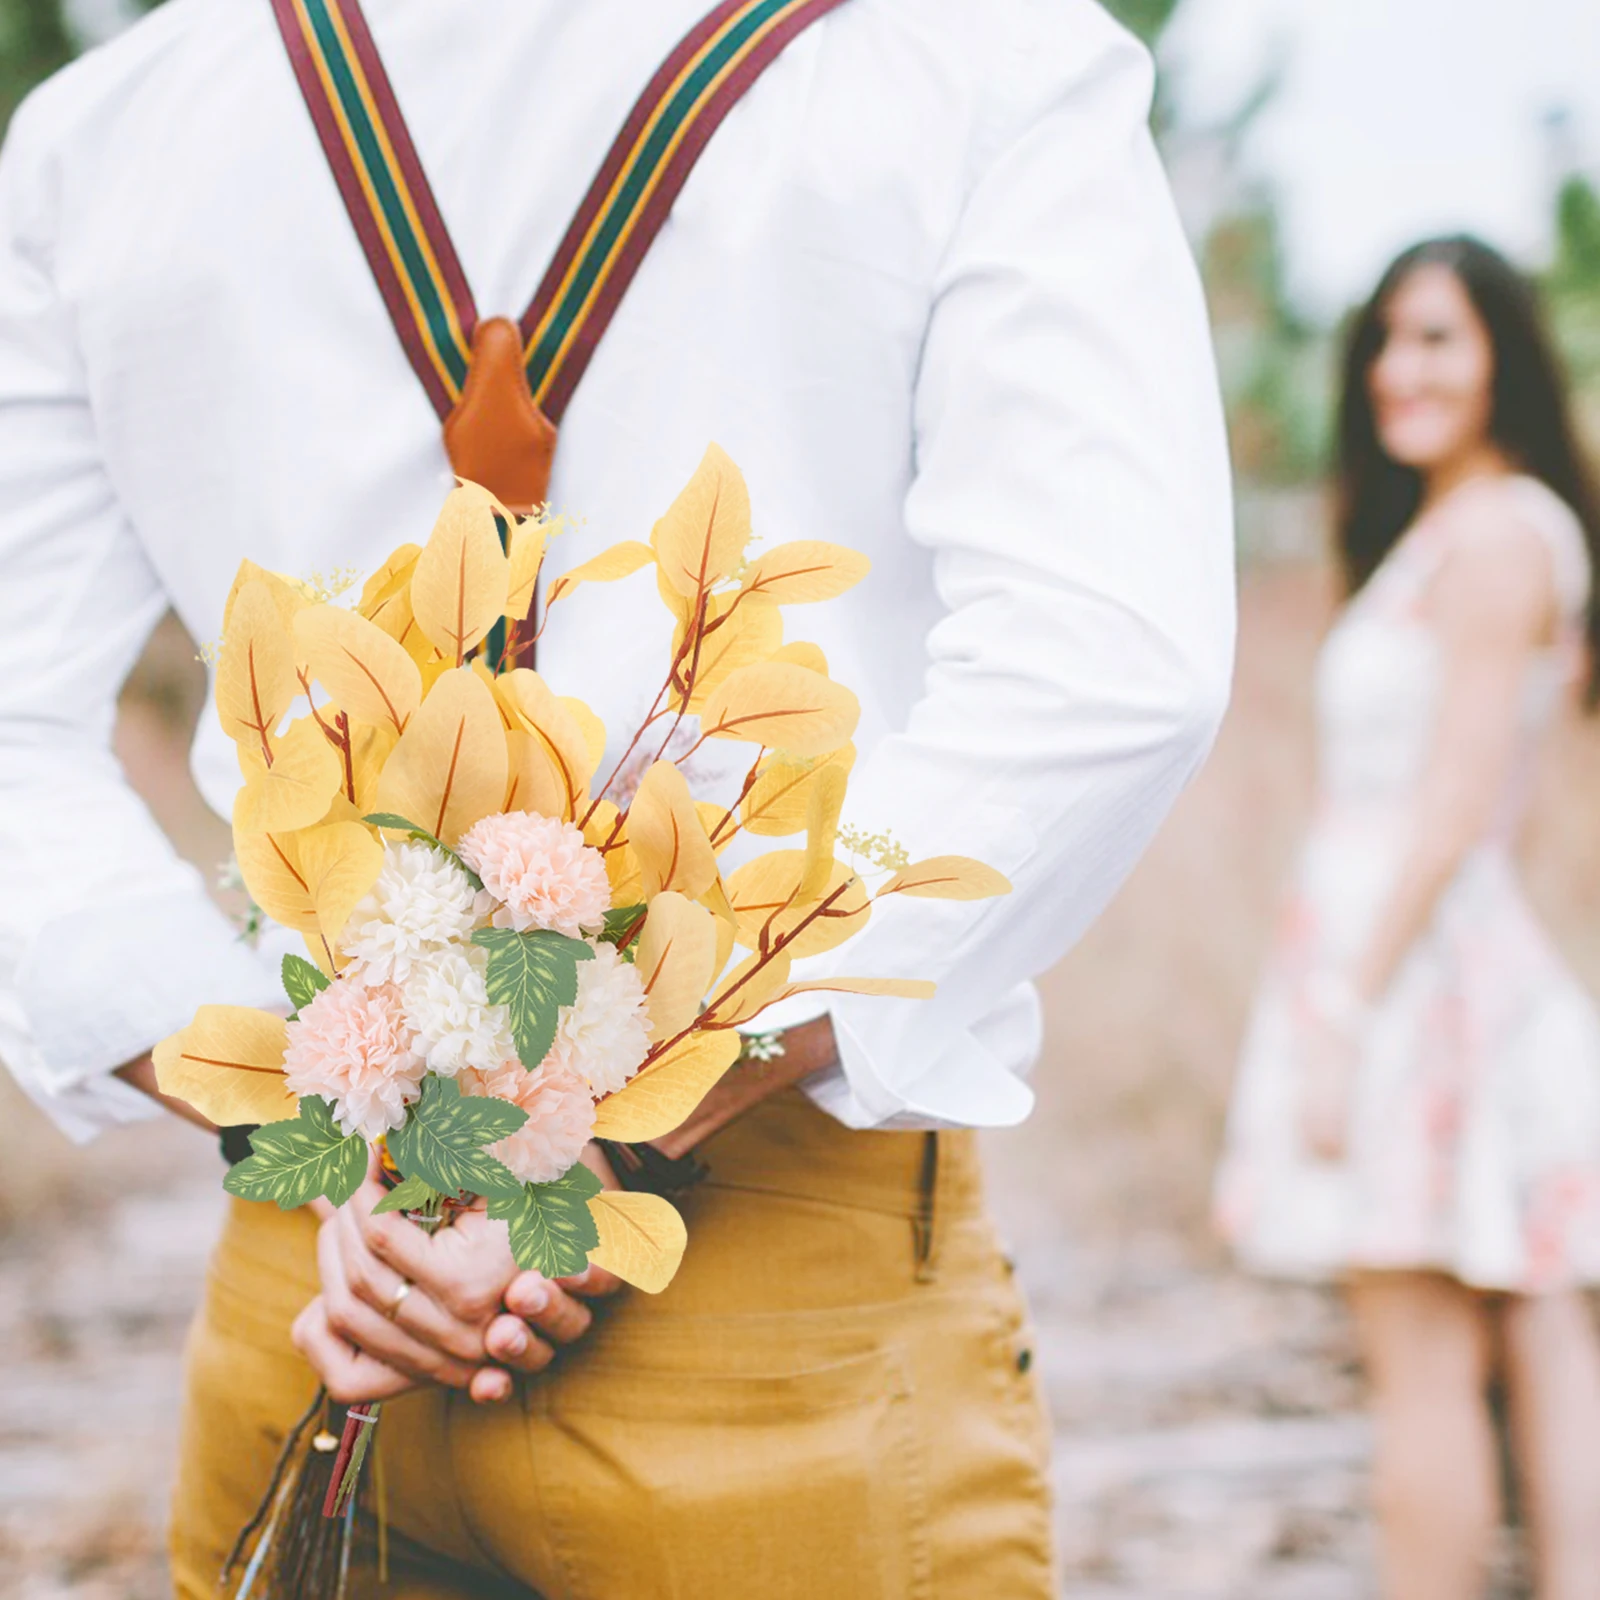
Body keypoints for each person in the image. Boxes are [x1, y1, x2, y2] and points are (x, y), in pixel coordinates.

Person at [0, 0, 1233, 1595]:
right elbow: (1108, 668)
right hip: (773, 1319)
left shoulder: (116, 130)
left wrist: (329, 1121)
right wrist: (586, 1134)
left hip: (329, 1305)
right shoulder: (976, 56)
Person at [1217, 236, 1600, 1600]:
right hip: (1448, 952)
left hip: (1413, 968)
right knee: (1542, 1329)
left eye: (1440, 337)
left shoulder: (1496, 537)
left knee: (1424, 1356)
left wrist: (1345, 1008)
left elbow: (1454, 802)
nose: (1401, 369)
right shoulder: (1469, 530)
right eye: (1386, 338)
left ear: (1505, 354)